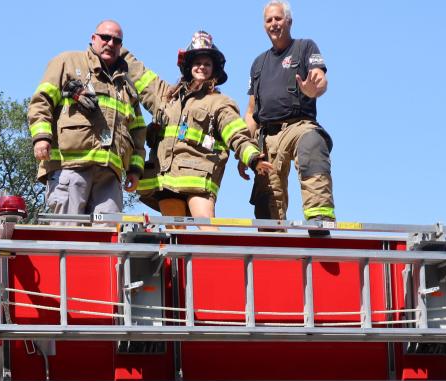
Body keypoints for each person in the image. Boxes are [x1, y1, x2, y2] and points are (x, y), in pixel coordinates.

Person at [126, 32, 273, 218]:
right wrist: (114, 45)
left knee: (205, 230)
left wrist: (253, 158)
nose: (201, 67)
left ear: (214, 70)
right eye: (197, 63)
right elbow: (138, 73)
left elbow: (236, 133)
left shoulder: (219, 103)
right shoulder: (166, 97)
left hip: (198, 180)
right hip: (165, 180)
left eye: (207, 64)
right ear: (188, 67)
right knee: (177, 235)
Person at [28, 20, 146, 216]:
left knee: (106, 239)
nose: (110, 43)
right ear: (93, 39)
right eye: (105, 37)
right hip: (70, 168)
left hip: (110, 176)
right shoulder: (67, 62)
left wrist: (135, 169)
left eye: (116, 41)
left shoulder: (127, 85)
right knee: (68, 236)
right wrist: (41, 137)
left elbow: (138, 130)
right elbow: (41, 101)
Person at [245, 1, 335, 222]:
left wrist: (314, 89)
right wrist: (246, 147)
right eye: (269, 20)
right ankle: (271, 239)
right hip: (267, 137)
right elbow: (250, 111)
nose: (274, 24)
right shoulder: (258, 63)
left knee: (312, 142)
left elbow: (320, 80)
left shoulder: (305, 47)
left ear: (289, 21)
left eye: (278, 18)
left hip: (298, 126)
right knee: (266, 195)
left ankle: (319, 222)